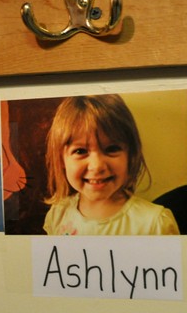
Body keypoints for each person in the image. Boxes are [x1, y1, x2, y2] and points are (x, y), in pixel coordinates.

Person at [42, 94, 179, 235]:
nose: (97, 166)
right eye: (80, 151)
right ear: (61, 159)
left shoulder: (154, 224)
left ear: (131, 155)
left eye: (112, 149)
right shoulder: (58, 215)